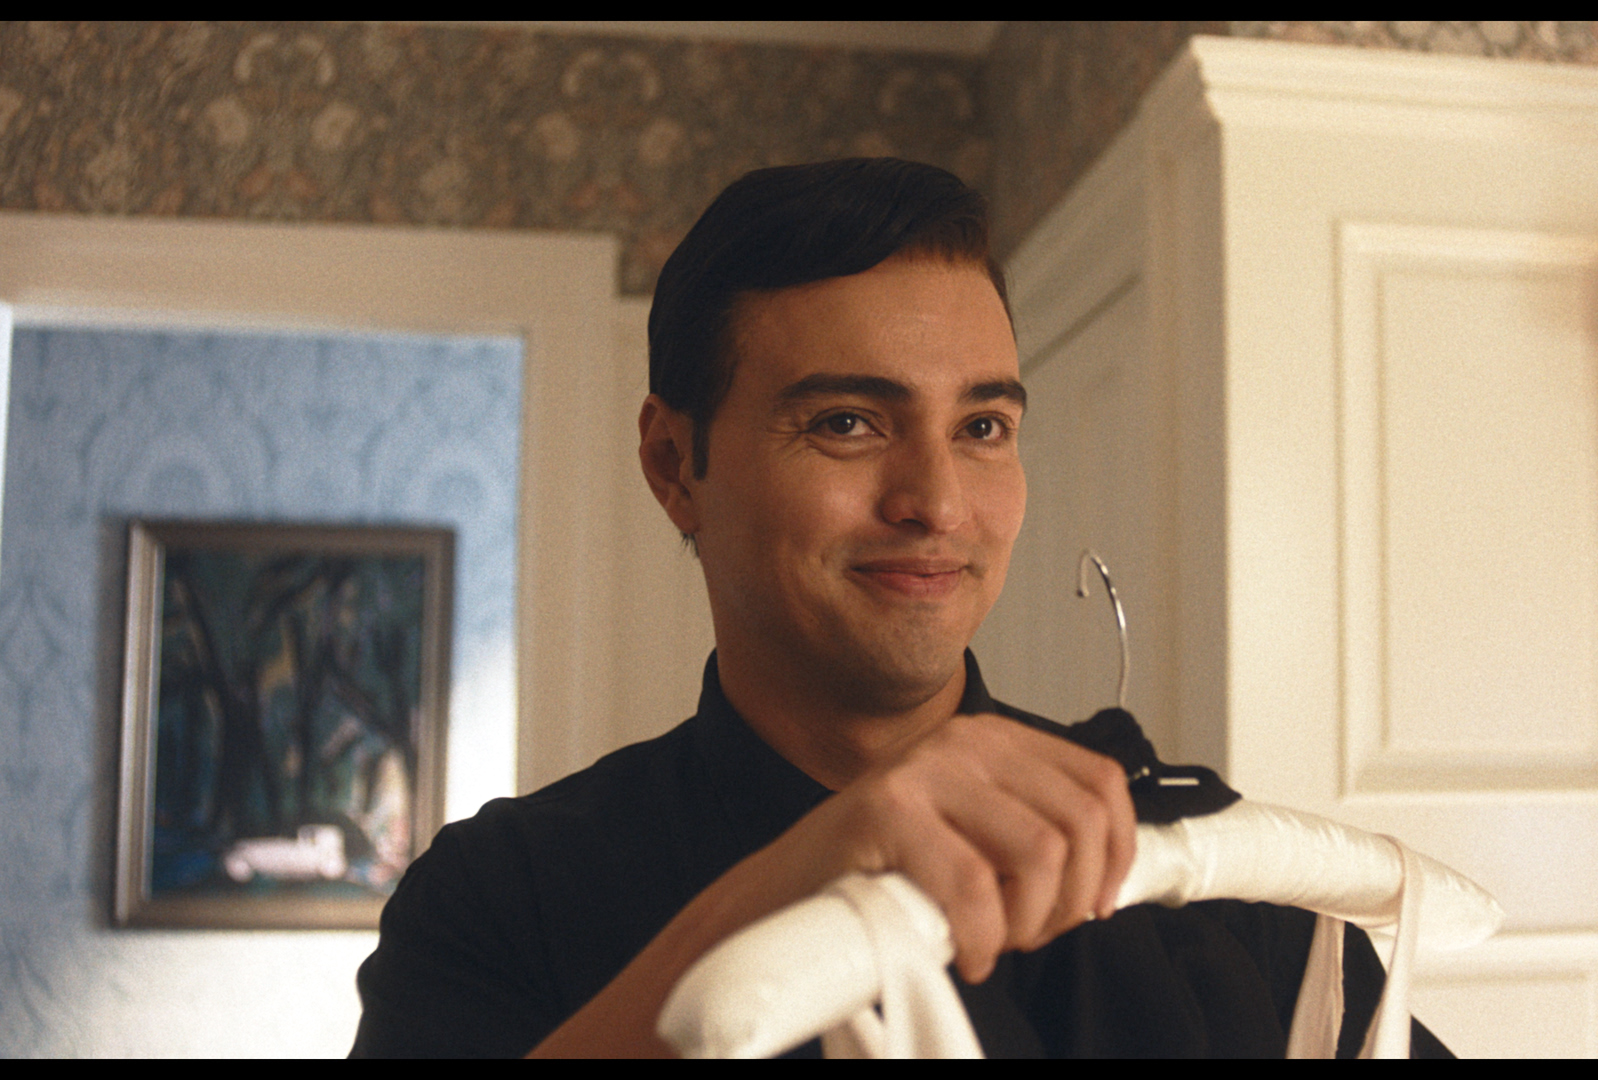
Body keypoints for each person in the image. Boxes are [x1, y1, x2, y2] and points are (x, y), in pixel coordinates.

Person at [350, 158, 1448, 1058]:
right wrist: (794, 881)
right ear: (676, 464)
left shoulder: (1212, 888)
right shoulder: (499, 899)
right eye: (847, 423)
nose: (938, 504)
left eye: (982, 429)